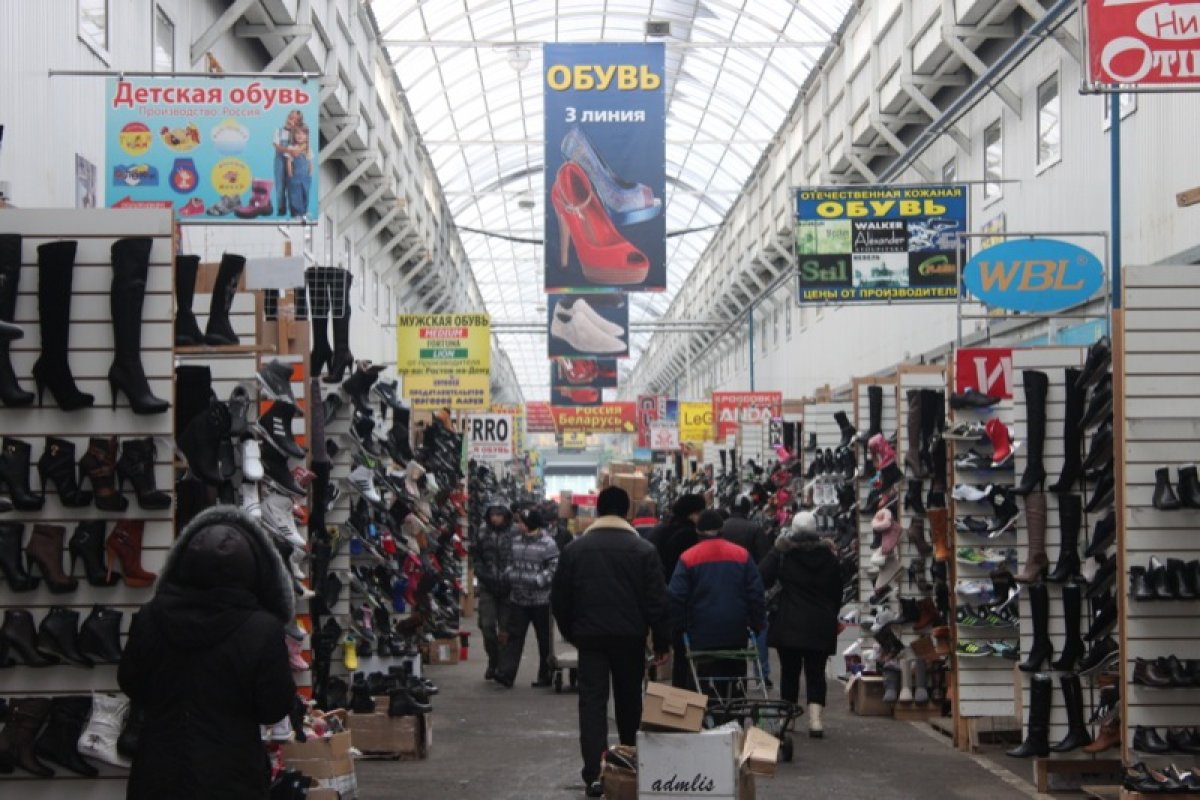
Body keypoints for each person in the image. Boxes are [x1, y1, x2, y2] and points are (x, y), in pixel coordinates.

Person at [118, 506, 296, 800]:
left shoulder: (151, 616)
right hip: (230, 773)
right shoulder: (261, 629)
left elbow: (131, 683)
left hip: (157, 771)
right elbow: (273, 707)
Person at [551, 487, 670, 799]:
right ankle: (629, 767)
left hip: (590, 639)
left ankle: (594, 774)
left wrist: (573, 633)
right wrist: (660, 640)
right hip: (630, 639)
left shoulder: (575, 550)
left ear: (598, 512)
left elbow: (560, 599)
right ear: (627, 513)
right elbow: (657, 601)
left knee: (592, 704)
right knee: (630, 702)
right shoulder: (643, 551)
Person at [758, 510, 843, 739]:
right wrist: (831, 614)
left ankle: (790, 718)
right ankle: (816, 720)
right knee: (816, 672)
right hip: (820, 622)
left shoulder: (785, 554)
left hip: (790, 621)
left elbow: (763, 577)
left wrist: (776, 550)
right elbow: (838, 590)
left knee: (790, 672)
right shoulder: (829, 556)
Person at [669, 509, 766, 699]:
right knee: (734, 678)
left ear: (698, 533)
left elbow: (676, 596)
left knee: (703, 682)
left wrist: (679, 628)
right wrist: (756, 623)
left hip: (701, 635)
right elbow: (756, 593)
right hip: (735, 633)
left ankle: (708, 718)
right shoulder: (742, 555)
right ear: (722, 531)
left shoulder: (688, 558)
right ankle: (735, 717)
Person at [495, 507, 559, 688]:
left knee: (544, 639)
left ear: (530, 524)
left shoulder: (548, 544)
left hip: (541, 601)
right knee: (515, 637)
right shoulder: (515, 542)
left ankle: (545, 676)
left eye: (521, 522)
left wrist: (539, 580)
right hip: (518, 599)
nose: (518, 525)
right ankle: (507, 674)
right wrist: (511, 575)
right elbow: (508, 562)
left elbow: (554, 567)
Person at [653, 492, 707, 687]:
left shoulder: (661, 531)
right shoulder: (690, 536)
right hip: (688, 603)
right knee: (690, 660)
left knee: (680, 659)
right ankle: (692, 705)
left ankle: (679, 706)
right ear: (693, 514)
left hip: (667, 601)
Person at [721, 494, 772, 685]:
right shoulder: (755, 529)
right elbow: (764, 560)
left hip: (725, 586)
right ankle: (762, 674)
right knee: (759, 628)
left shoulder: (722, 528)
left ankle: (731, 671)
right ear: (748, 509)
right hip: (749, 585)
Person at [471, 504, 515, 681]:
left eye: (499, 514)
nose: (495, 518)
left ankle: (501, 667)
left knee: (505, 630)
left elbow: (518, 556)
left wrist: (511, 576)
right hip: (487, 586)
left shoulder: (514, 533)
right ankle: (493, 660)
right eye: (492, 514)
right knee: (487, 625)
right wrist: (483, 574)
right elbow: (476, 557)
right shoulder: (482, 532)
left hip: (508, 586)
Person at [271, 110, 301, 217]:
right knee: (280, 186)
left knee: (292, 185)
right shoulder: (278, 131)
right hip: (280, 161)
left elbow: (300, 149)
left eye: (294, 119)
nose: (290, 120)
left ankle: (294, 209)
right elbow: (277, 147)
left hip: (292, 162)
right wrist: (289, 151)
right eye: (290, 117)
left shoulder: (297, 135)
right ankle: (281, 209)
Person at [284, 123, 312, 218]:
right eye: (298, 133)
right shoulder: (291, 148)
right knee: (295, 194)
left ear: (307, 136)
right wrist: (290, 174)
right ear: (293, 135)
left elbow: (309, 162)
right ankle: (296, 213)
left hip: (305, 176)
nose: (300, 136)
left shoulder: (307, 149)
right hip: (295, 175)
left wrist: (310, 173)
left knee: (305, 193)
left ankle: (304, 211)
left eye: (303, 134)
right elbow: (289, 162)